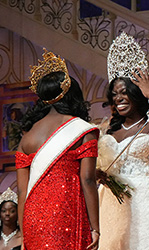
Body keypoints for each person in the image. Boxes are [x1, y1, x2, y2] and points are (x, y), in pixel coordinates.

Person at [97, 32, 149, 250]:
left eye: (125, 92)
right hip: (109, 206)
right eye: (114, 94)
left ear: (137, 93)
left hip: (142, 205)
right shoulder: (108, 132)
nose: (119, 98)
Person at [15, 50, 100, 250]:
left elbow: (21, 191)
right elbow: (87, 179)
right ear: (72, 95)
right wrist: (95, 227)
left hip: (33, 219)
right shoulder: (82, 130)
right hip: (66, 212)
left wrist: (24, 234)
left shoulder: (27, 137)